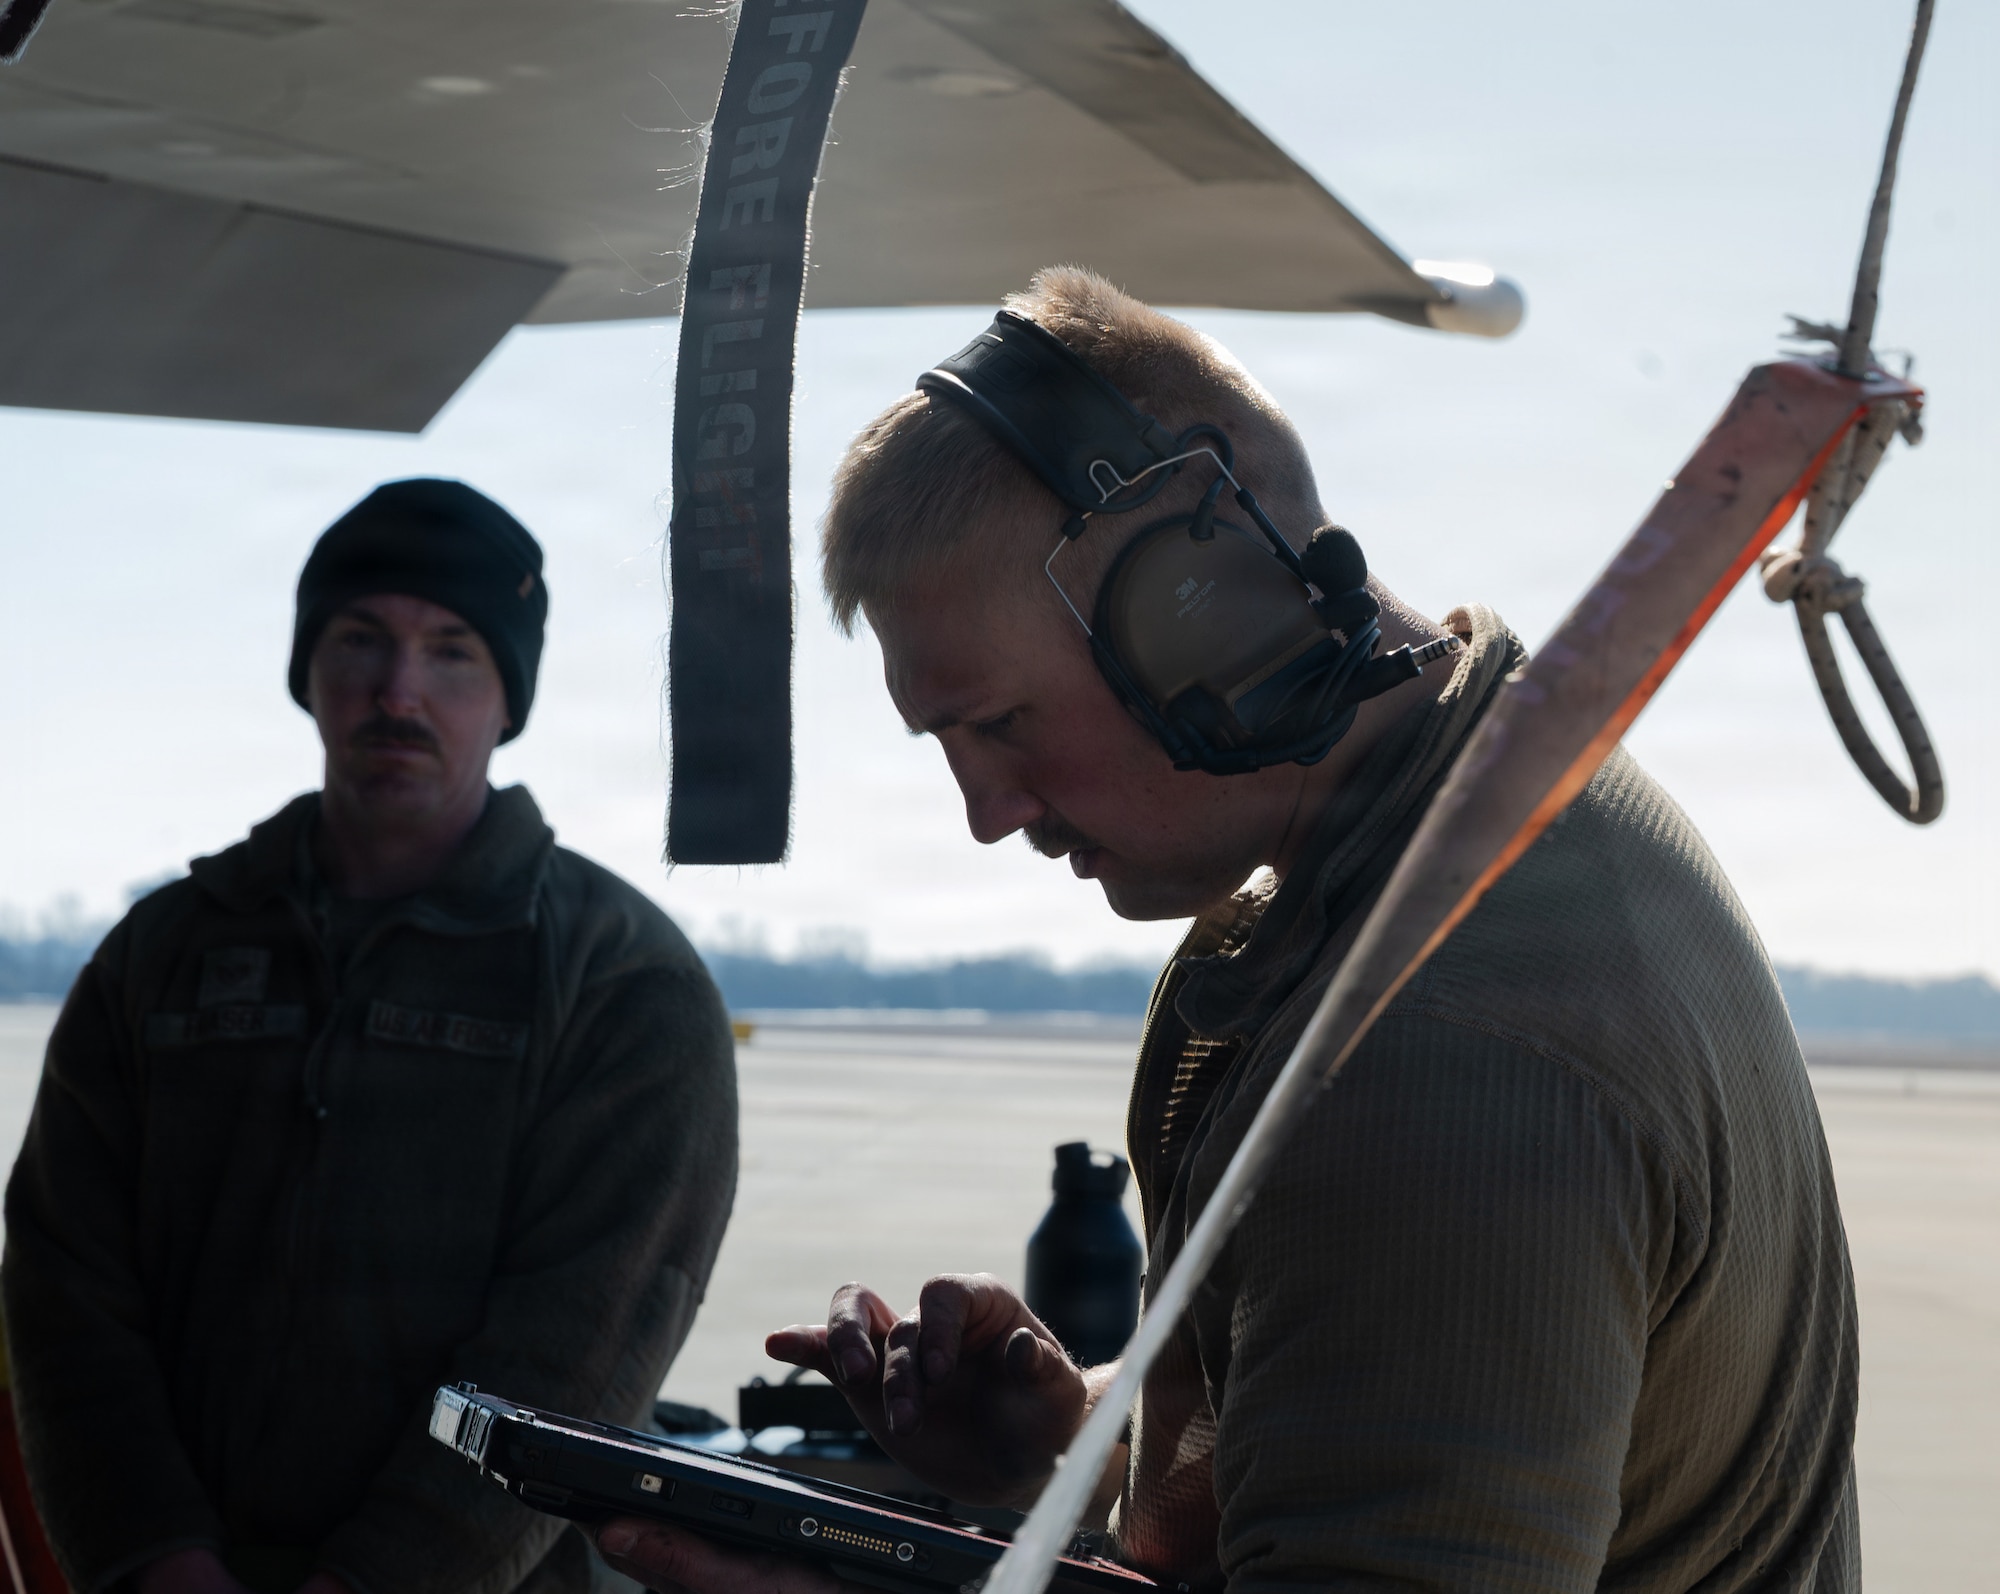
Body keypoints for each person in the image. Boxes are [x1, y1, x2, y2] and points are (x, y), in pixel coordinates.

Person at [594, 270, 1858, 1593]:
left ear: (1198, 602)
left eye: (999, 723)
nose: (987, 811)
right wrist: (1084, 1441)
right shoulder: (1503, 814)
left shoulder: (1442, 1049)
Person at [3, 480, 739, 1594]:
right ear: (307, 671)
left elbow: (579, 1347)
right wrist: (158, 1561)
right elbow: (66, 1293)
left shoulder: (621, 980)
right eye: (361, 640)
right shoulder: (158, 959)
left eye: (451, 651)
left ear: (508, 696)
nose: (399, 690)